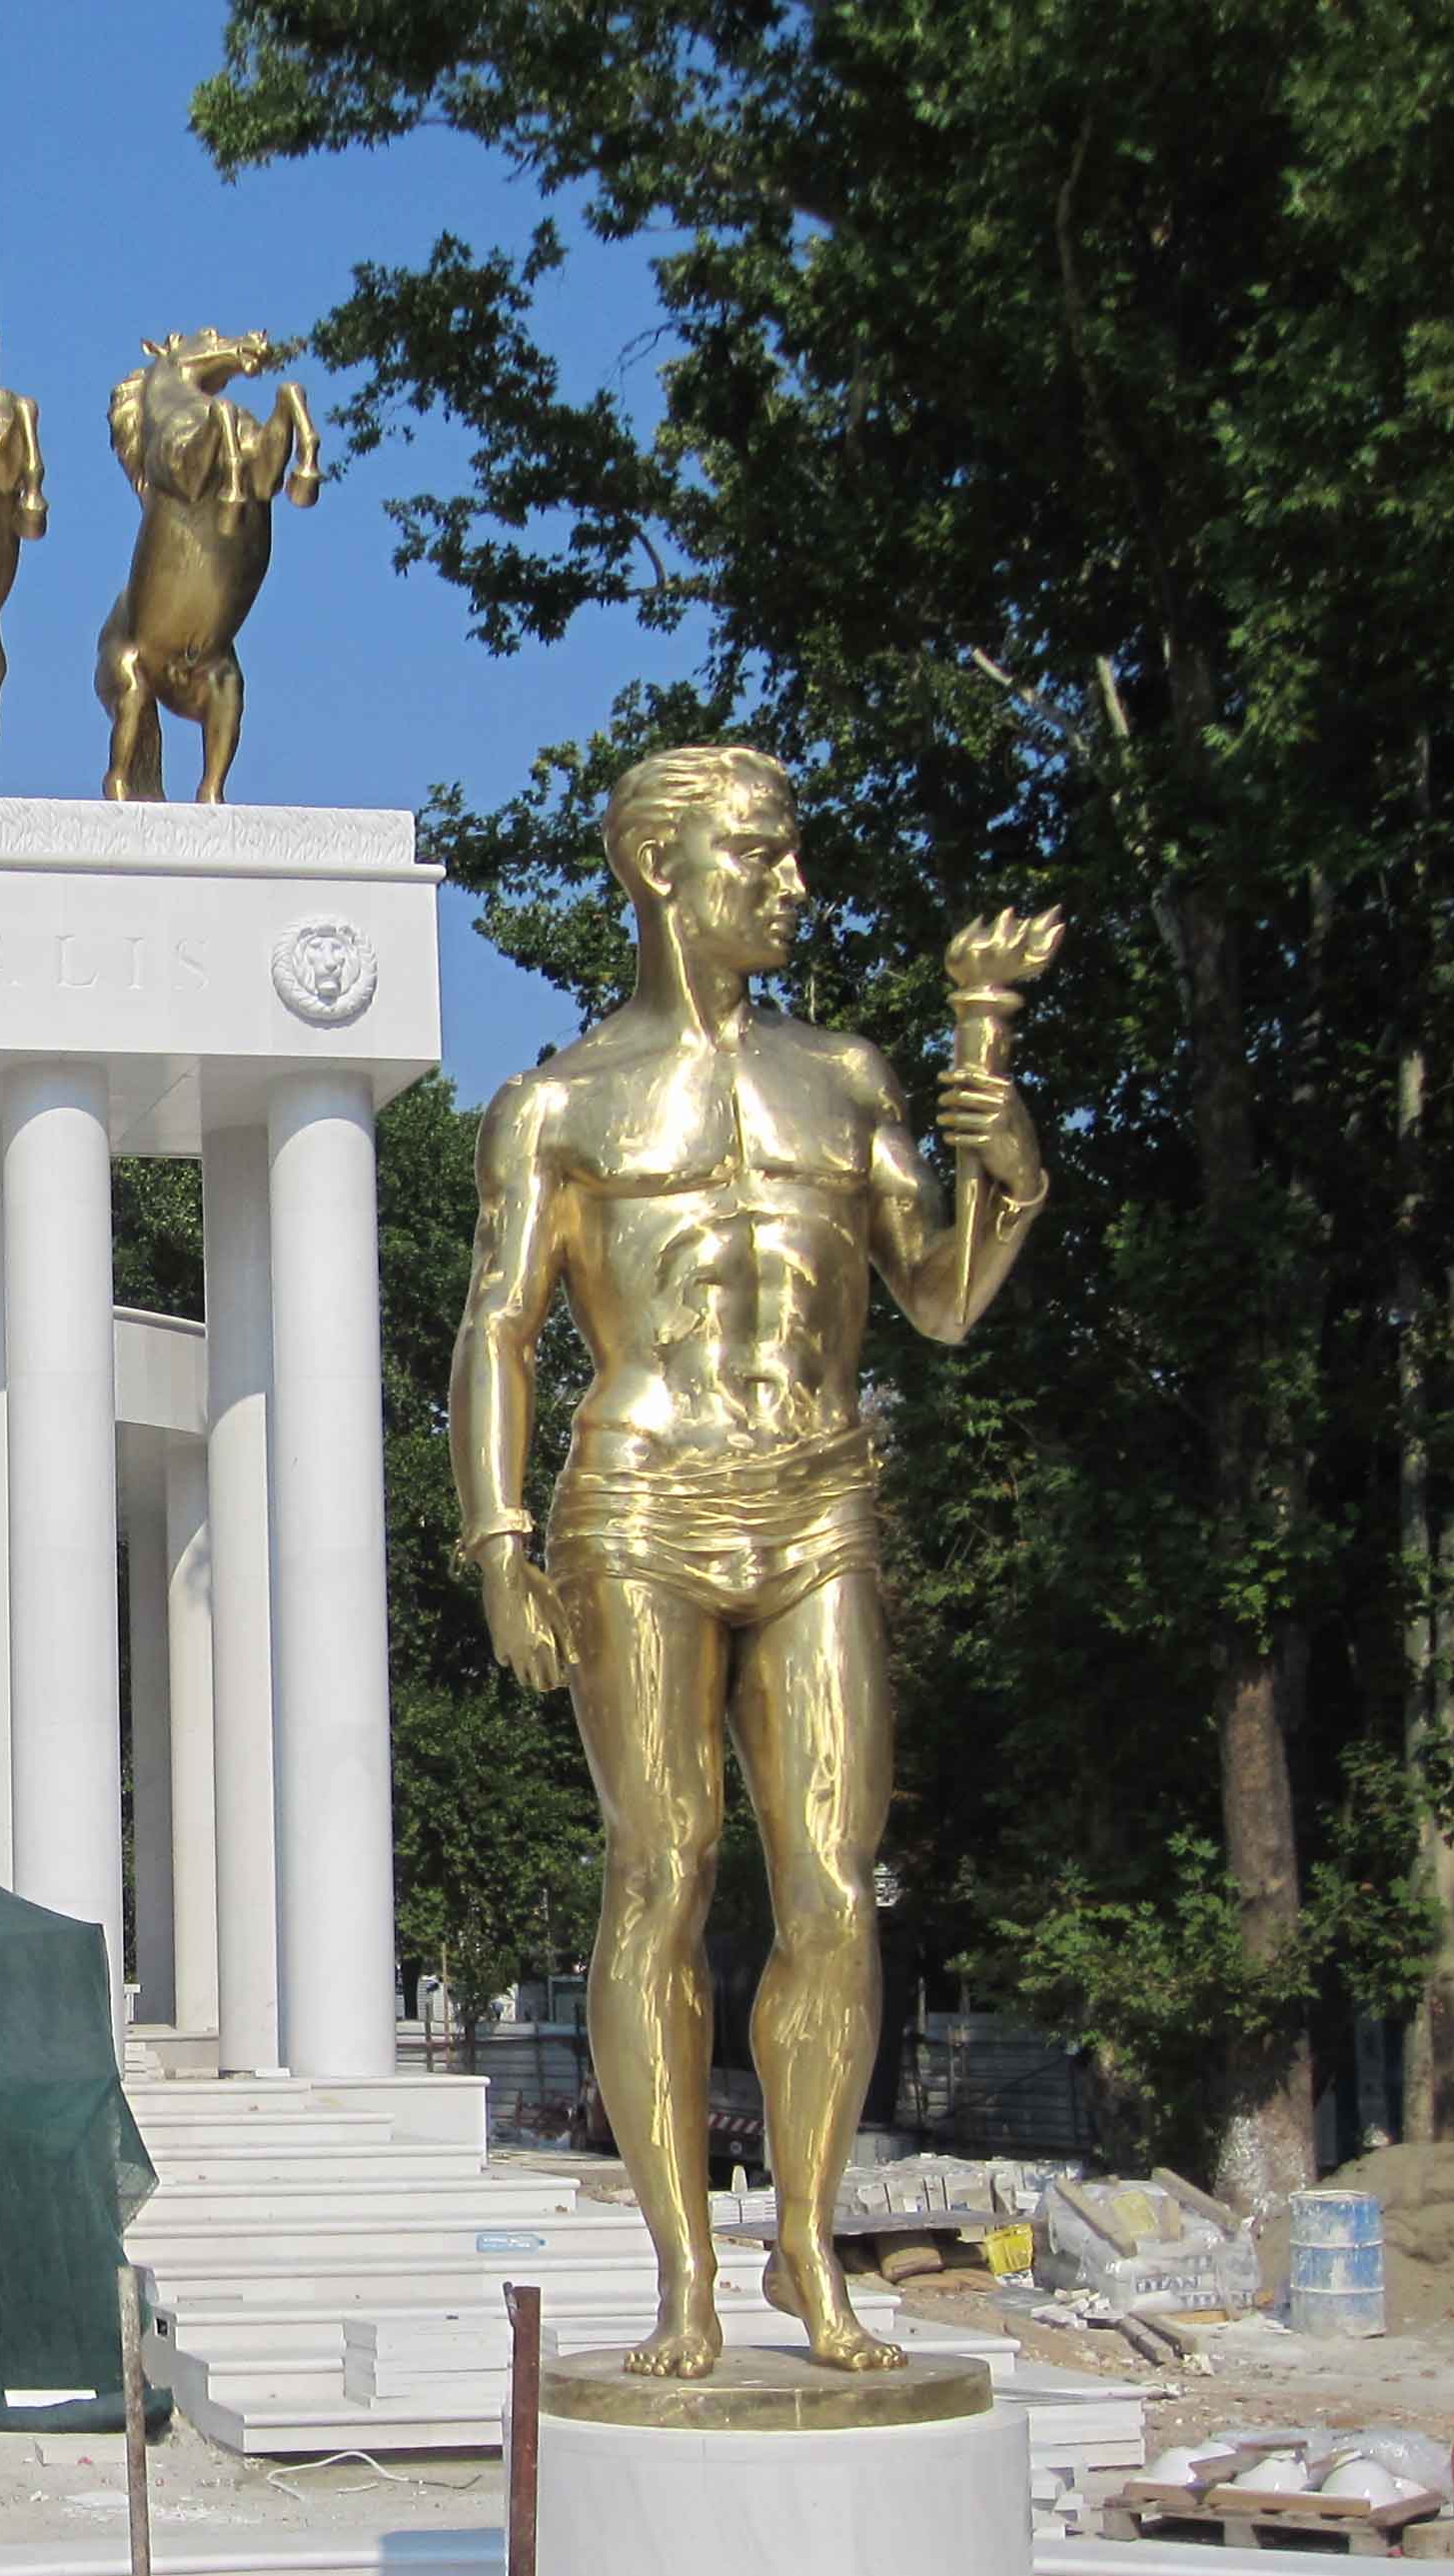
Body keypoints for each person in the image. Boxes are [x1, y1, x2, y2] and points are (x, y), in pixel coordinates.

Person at [449, 745, 1055, 2378]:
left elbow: (936, 1297)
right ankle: (684, 2276)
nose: (793, 886)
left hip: (817, 1495)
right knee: (661, 1870)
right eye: (760, 858)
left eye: (793, 856)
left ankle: (805, 2245)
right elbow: (498, 1331)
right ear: (660, 869)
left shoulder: (848, 1079)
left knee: (833, 1889)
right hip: (638, 1503)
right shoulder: (559, 1105)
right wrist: (498, 1538)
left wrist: (1014, 1177)